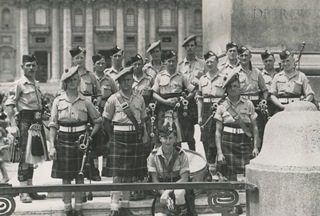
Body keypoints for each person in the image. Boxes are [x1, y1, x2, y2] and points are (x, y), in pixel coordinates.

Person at [48, 65, 102, 216]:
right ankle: (67, 209)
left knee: (80, 176)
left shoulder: (86, 101)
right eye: (70, 80)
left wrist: (90, 137)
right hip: (63, 140)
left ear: (79, 81)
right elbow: (53, 125)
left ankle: (78, 209)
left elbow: (98, 120)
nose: (73, 82)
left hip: (80, 141)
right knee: (65, 177)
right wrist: (52, 146)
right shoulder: (58, 101)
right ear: (65, 82)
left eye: (76, 79)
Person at [103, 66, 148, 216]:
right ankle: (114, 207)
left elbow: (143, 119)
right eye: (124, 80)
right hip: (119, 137)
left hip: (134, 137)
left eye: (129, 80)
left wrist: (145, 134)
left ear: (132, 81)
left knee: (130, 174)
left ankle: (125, 206)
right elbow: (106, 121)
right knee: (117, 174)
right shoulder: (113, 99)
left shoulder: (139, 98)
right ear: (119, 83)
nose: (127, 83)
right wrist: (112, 136)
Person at [214, 71, 259, 214]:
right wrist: (220, 152)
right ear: (226, 90)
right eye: (231, 87)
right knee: (229, 177)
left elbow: (255, 128)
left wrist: (256, 147)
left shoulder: (249, 104)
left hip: (244, 142)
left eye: (236, 86)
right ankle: (233, 206)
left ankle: (251, 206)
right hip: (228, 142)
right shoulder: (221, 107)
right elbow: (218, 132)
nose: (234, 89)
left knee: (249, 176)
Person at [5, 54, 47, 203]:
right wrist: (13, 124)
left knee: (33, 156)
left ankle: (30, 188)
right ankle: (23, 192)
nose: (31, 68)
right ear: (22, 67)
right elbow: (9, 105)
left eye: (33, 65)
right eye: (28, 65)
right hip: (24, 122)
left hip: (36, 121)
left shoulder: (36, 84)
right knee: (24, 156)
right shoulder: (18, 84)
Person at [147, 124, 197, 216]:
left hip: (179, 189)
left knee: (179, 192)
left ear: (174, 138)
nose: (168, 141)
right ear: (160, 139)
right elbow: (155, 180)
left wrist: (168, 191)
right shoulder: (153, 156)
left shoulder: (181, 154)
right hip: (161, 189)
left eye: (170, 138)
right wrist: (164, 194)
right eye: (165, 138)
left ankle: (183, 213)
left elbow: (184, 179)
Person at [152, 51, 196, 148]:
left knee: (178, 136)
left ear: (177, 62)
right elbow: (154, 94)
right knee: (162, 134)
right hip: (163, 108)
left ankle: (178, 159)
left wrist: (185, 99)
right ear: (165, 62)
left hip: (178, 110)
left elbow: (193, 91)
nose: (171, 64)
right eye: (169, 61)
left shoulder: (182, 76)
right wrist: (165, 102)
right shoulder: (159, 76)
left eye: (173, 61)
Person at [233, 46, 268, 147]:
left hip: (255, 104)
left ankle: (257, 152)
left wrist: (264, 101)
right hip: (241, 104)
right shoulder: (234, 72)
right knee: (243, 129)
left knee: (257, 129)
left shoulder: (257, 72)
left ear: (250, 57)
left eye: (246, 55)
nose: (244, 58)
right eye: (241, 55)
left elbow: (264, 89)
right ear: (238, 57)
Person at [197, 51, 226, 163]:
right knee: (205, 137)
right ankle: (209, 165)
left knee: (218, 136)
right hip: (206, 109)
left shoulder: (224, 78)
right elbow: (199, 99)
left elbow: (226, 96)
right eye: (207, 62)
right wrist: (199, 116)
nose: (209, 64)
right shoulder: (202, 79)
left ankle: (218, 165)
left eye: (212, 61)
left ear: (217, 62)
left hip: (219, 108)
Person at [177, 35, 205, 151]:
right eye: (187, 46)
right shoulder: (180, 65)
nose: (190, 48)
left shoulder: (203, 63)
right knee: (188, 133)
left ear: (196, 47)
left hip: (199, 100)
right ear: (185, 48)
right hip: (186, 101)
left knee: (203, 130)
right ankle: (192, 155)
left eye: (192, 45)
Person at [92, 53, 118, 179]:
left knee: (108, 139)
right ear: (94, 65)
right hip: (94, 112)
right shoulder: (90, 79)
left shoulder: (109, 79)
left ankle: (107, 169)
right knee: (96, 139)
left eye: (103, 63)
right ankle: (95, 170)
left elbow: (117, 95)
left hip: (108, 112)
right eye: (98, 63)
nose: (101, 65)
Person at [260, 50, 279, 116]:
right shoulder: (260, 75)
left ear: (274, 60)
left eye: (270, 61)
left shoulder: (279, 74)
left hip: (278, 103)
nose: (268, 63)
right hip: (266, 104)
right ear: (262, 62)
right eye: (266, 61)